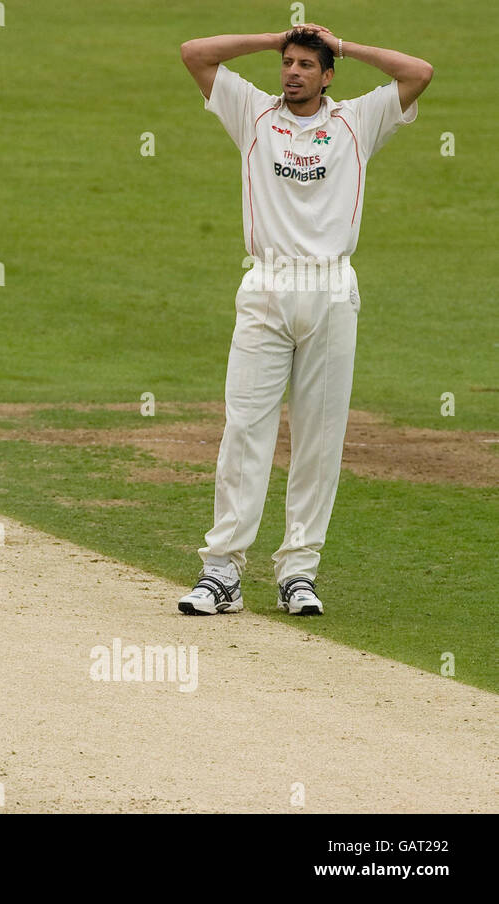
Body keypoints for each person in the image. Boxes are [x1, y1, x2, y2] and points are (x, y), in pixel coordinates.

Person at [175, 26, 431, 615]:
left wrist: (345, 45)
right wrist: (272, 38)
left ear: (328, 74)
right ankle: (222, 573)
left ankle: (299, 571)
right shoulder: (252, 114)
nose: (292, 72)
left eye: (305, 65)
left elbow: (417, 72)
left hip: (331, 289)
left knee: (319, 437)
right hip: (267, 285)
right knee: (245, 428)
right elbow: (194, 54)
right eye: (286, 63)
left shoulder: (357, 122)